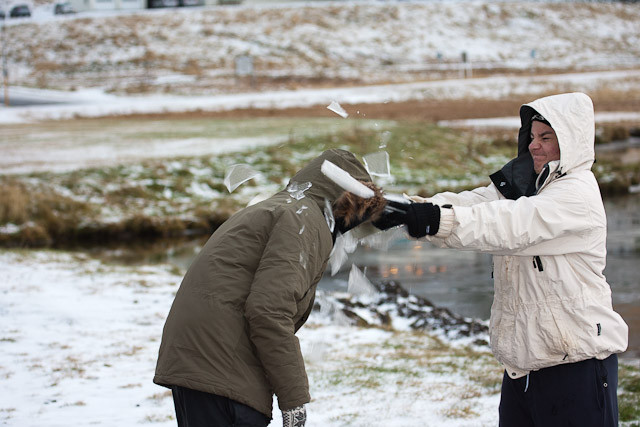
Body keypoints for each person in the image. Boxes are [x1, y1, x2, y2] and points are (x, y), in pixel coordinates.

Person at [375, 92, 628, 426]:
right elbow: (475, 205)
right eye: (532, 137)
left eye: (546, 138)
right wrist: (406, 209)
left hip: (576, 369)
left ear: (570, 142)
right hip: (522, 370)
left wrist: (436, 221)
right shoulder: (527, 184)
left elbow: (507, 224)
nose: (534, 146)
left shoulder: (576, 195)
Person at [154, 149, 385, 427]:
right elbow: (269, 311)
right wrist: (294, 401)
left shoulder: (284, 207)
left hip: (203, 355)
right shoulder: (303, 220)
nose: (352, 225)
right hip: (223, 361)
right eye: (357, 211)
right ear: (345, 200)